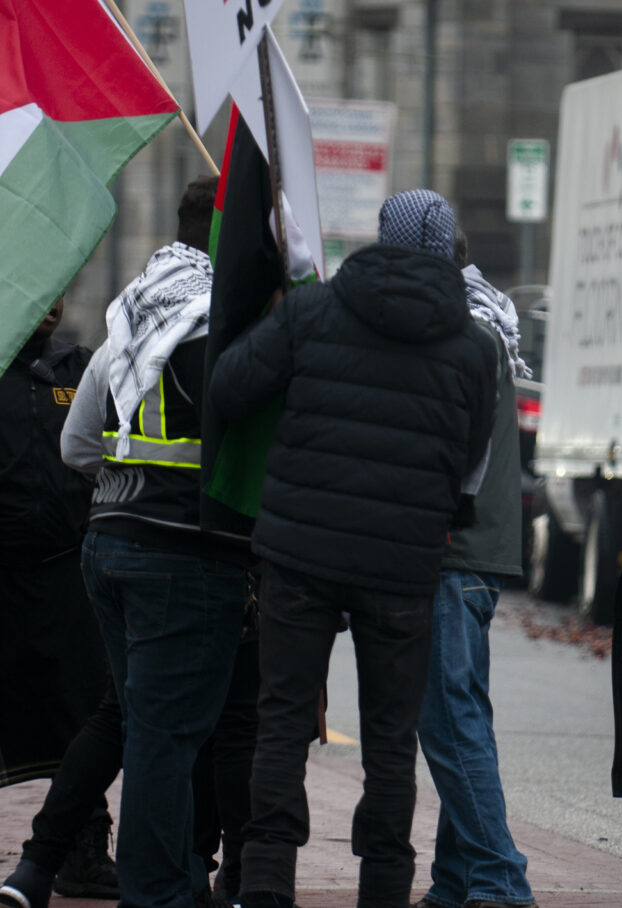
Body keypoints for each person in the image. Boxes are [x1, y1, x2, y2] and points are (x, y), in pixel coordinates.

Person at [208, 189, 497, 908]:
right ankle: (384, 890)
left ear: (379, 237)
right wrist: (444, 512)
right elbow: (473, 463)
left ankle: (268, 883)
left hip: (298, 555)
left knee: (280, 723)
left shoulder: (313, 311)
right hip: (402, 566)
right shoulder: (472, 344)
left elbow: (229, 389)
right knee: (390, 741)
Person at [76, 175, 254, 908]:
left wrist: (128, 484)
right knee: (167, 740)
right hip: (186, 550)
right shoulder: (227, 320)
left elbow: (76, 443)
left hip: (109, 542)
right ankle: (157, 894)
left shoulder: (134, 308)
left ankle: (172, 880)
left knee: (152, 730)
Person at [410, 227, 537, 908]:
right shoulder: (486, 320)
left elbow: (447, 457)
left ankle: (498, 878)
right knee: (463, 718)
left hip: (453, 554)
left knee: (451, 722)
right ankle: (456, 880)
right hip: (476, 554)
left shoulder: (460, 336)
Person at [0, 299, 118, 908]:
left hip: (65, 575)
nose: (50, 303)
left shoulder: (77, 368)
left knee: (83, 713)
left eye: (59, 290)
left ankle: (84, 852)